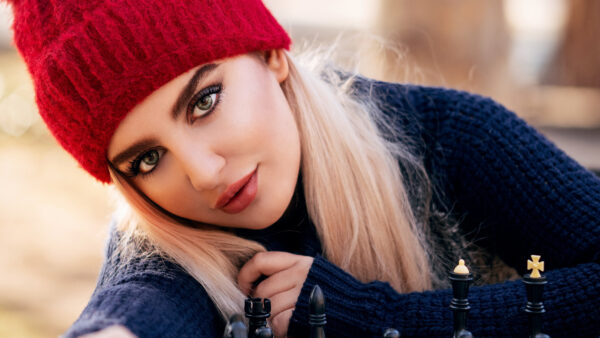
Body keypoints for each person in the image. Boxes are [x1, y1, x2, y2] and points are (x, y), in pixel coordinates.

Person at [5, 0, 599, 337]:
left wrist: (379, 321)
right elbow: (141, 306)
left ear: (269, 55)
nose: (204, 174)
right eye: (147, 158)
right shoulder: (162, 238)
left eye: (205, 101)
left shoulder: (448, 137)